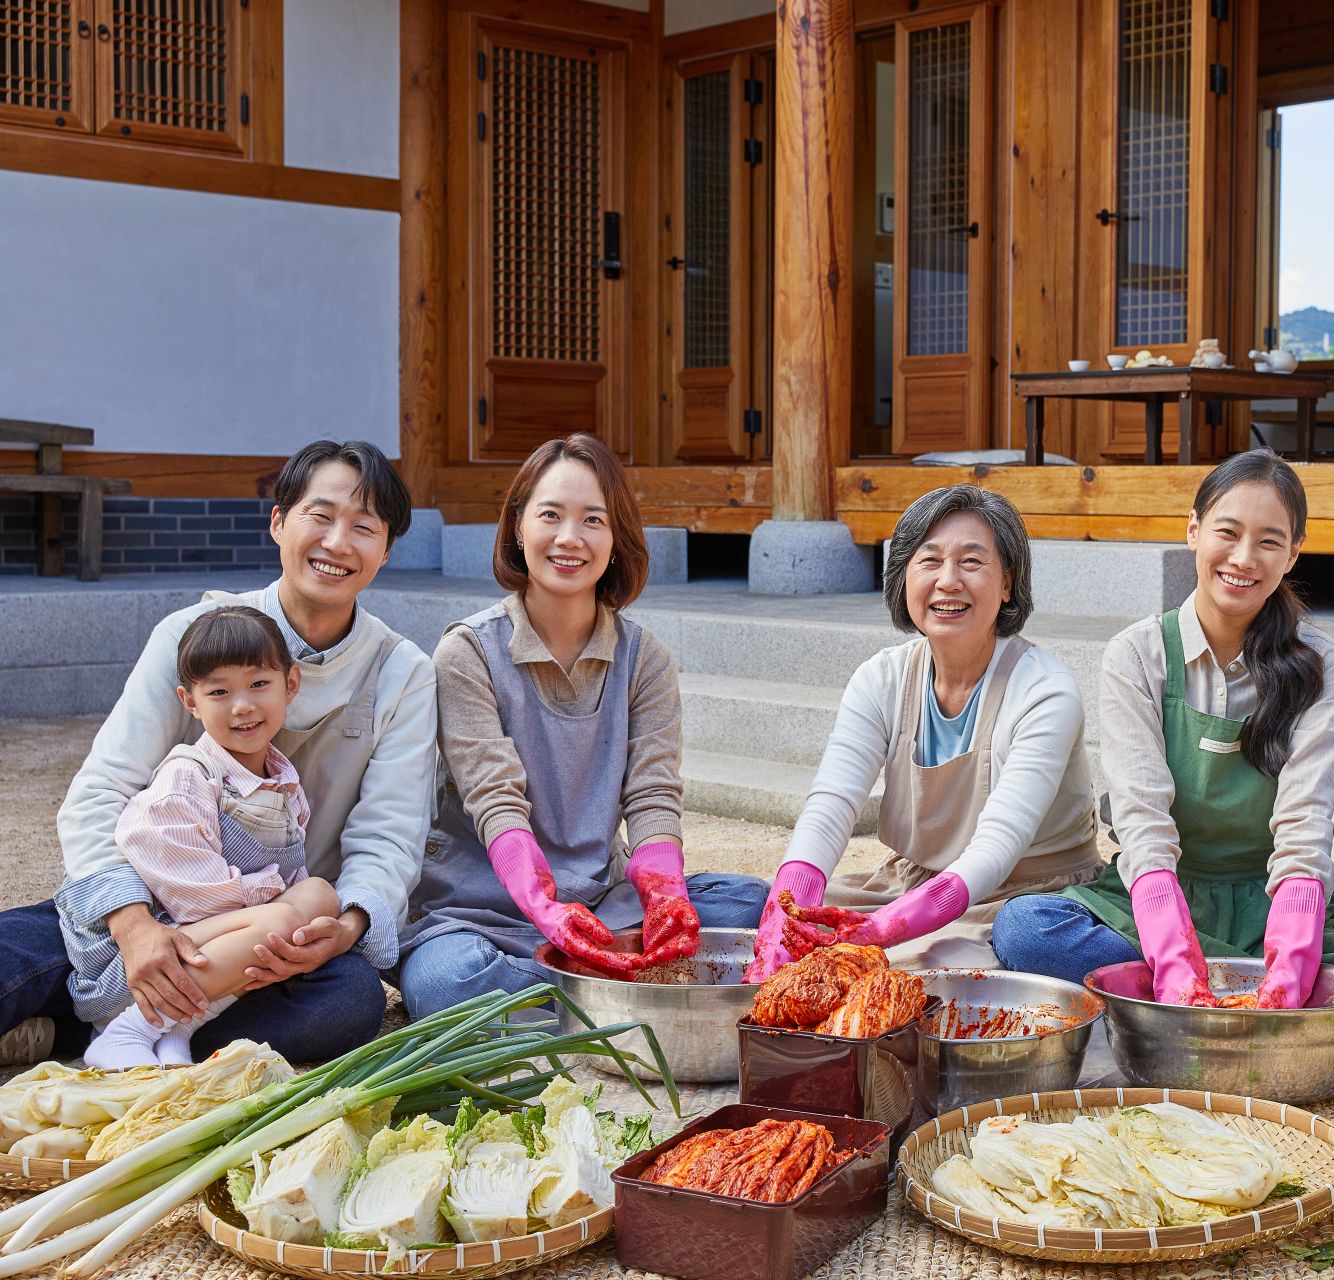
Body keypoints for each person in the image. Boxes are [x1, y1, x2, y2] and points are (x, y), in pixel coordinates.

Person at [1, 440, 435, 1067]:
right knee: (20, 949)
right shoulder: (189, 635)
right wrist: (133, 926)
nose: (338, 543)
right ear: (279, 521)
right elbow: (100, 791)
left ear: (386, 550)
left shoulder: (403, 673)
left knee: (348, 1003)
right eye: (320, 515)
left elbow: (388, 839)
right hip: (149, 900)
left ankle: (98, 1028)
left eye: (363, 527)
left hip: (271, 933)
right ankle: (117, 1021)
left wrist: (345, 928)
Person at [992, 451, 1334, 1052]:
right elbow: (1142, 820)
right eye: (1227, 532)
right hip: (1161, 898)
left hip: (1270, 905)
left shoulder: (1321, 664)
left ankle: (1188, 1017)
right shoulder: (1138, 654)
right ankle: (1260, 1023)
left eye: (1269, 542)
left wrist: (1297, 929)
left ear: (1294, 554)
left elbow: (1306, 819)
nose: (1244, 558)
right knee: (1026, 930)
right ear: (1193, 530)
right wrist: (1170, 947)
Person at [398, 434, 766, 1016]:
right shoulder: (467, 652)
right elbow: (495, 801)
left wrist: (665, 894)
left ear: (616, 538)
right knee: (448, 984)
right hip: (488, 909)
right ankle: (615, 992)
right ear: (518, 526)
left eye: (593, 519)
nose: (570, 538)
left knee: (752, 905)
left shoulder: (644, 657)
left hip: (605, 901)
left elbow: (652, 795)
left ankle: (575, 988)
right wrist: (544, 908)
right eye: (550, 515)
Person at [745, 485, 1101, 977]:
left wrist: (885, 930)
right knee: (748, 908)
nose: (948, 581)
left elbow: (999, 845)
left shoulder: (1044, 690)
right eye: (928, 561)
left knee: (996, 947)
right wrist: (790, 905)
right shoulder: (882, 677)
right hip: (910, 885)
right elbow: (832, 803)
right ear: (904, 578)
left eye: (972, 562)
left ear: (1007, 583)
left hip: (1024, 895)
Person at [75, 607, 342, 1068]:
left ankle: (180, 1027)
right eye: (219, 692)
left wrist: (301, 916)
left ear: (291, 684)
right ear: (190, 701)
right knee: (279, 922)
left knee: (319, 895)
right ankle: (126, 1030)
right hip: (151, 957)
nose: (242, 706)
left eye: (259, 684)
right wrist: (278, 905)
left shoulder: (283, 780)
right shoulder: (188, 777)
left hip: (216, 956)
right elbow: (195, 899)